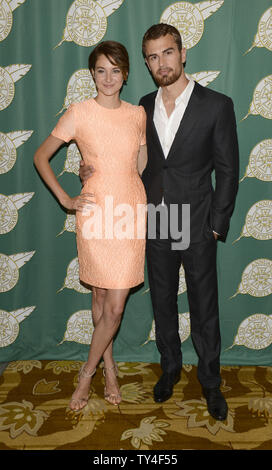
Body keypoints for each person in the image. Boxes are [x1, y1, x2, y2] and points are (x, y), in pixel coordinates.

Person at [79, 24, 239, 421]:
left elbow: (229, 170)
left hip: (198, 221)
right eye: (152, 56)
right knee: (162, 303)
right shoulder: (141, 107)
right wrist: (91, 172)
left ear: (182, 54)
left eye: (167, 53)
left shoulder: (217, 105)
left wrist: (217, 224)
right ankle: (169, 369)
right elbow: (125, 158)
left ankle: (210, 381)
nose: (160, 62)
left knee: (204, 306)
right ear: (147, 63)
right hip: (154, 219)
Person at [34, 41, 147, 411]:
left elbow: (138, 165)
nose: (108, 78)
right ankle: (109, 366)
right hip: (96, 211)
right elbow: (41, 156)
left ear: (126, 74)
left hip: (129, 211)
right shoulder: (79, 112)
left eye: (116, 70)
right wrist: (67, 198)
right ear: (92, 73)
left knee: (114, 306)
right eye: (101, 70)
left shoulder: (137, 115)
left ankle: (86, 372)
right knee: (100, 298)